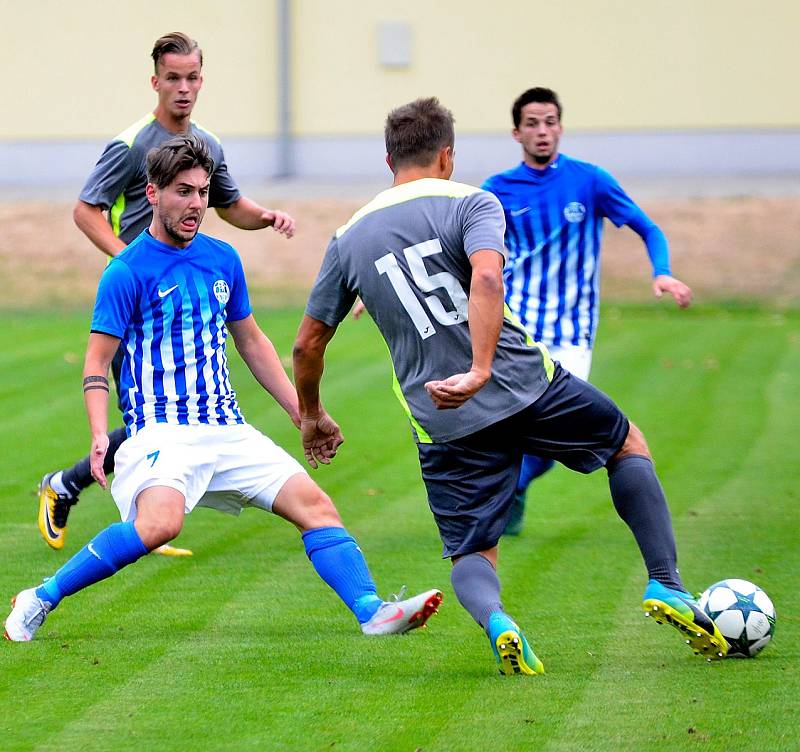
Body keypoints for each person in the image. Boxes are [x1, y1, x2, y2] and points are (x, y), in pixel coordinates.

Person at [292, 97, 725, 676]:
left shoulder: (349, 238)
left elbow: (307, 345)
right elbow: (489, 276)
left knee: (474, 551)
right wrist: (480, 369)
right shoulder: (474, 200)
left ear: (388, 157)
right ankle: (667, 584)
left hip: (440, 416)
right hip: (524, 384)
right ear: (447, 154)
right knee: (626, 446)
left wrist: (313, 413)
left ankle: (499, 621)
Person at [4, 135, 442, 642]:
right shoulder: (125, 271)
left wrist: (303, 415)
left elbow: (253, 343)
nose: (195, 205)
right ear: (152, 194)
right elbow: (97, 362)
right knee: (159, 526)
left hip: (228, 429)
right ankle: (40, 598)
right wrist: (101, 435)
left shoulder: (223, 259)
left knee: (317, 507)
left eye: (202, 193)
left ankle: (371, 610)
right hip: (161, 433)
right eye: (183, 192)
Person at [38, 31, 296, 556]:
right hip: (139, 303)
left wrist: (264, 217)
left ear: (202, 79)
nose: (183, 88)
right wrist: (128, 264)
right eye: (173, 78)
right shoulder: (132, 144)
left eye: (192, 77)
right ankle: (137, 511)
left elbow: (230, 206)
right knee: (151, 412)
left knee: (164, 412)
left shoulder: (207, 145)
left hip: (184, 288)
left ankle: (88, 492)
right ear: (155, 81)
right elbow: (86, 209)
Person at [481, 87, 692, 535]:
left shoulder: (590, 180)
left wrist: (662, 272)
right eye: (533, 123)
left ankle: (512, 487)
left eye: (551, 121)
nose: (543, 131)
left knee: (562, 432)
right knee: (513, 423)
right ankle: (501, 495)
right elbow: (456, 242)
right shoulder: (496, 190)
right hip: (519, 328)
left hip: (574, 332)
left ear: (560, 126)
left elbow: (647, 227)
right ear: (516, 132)